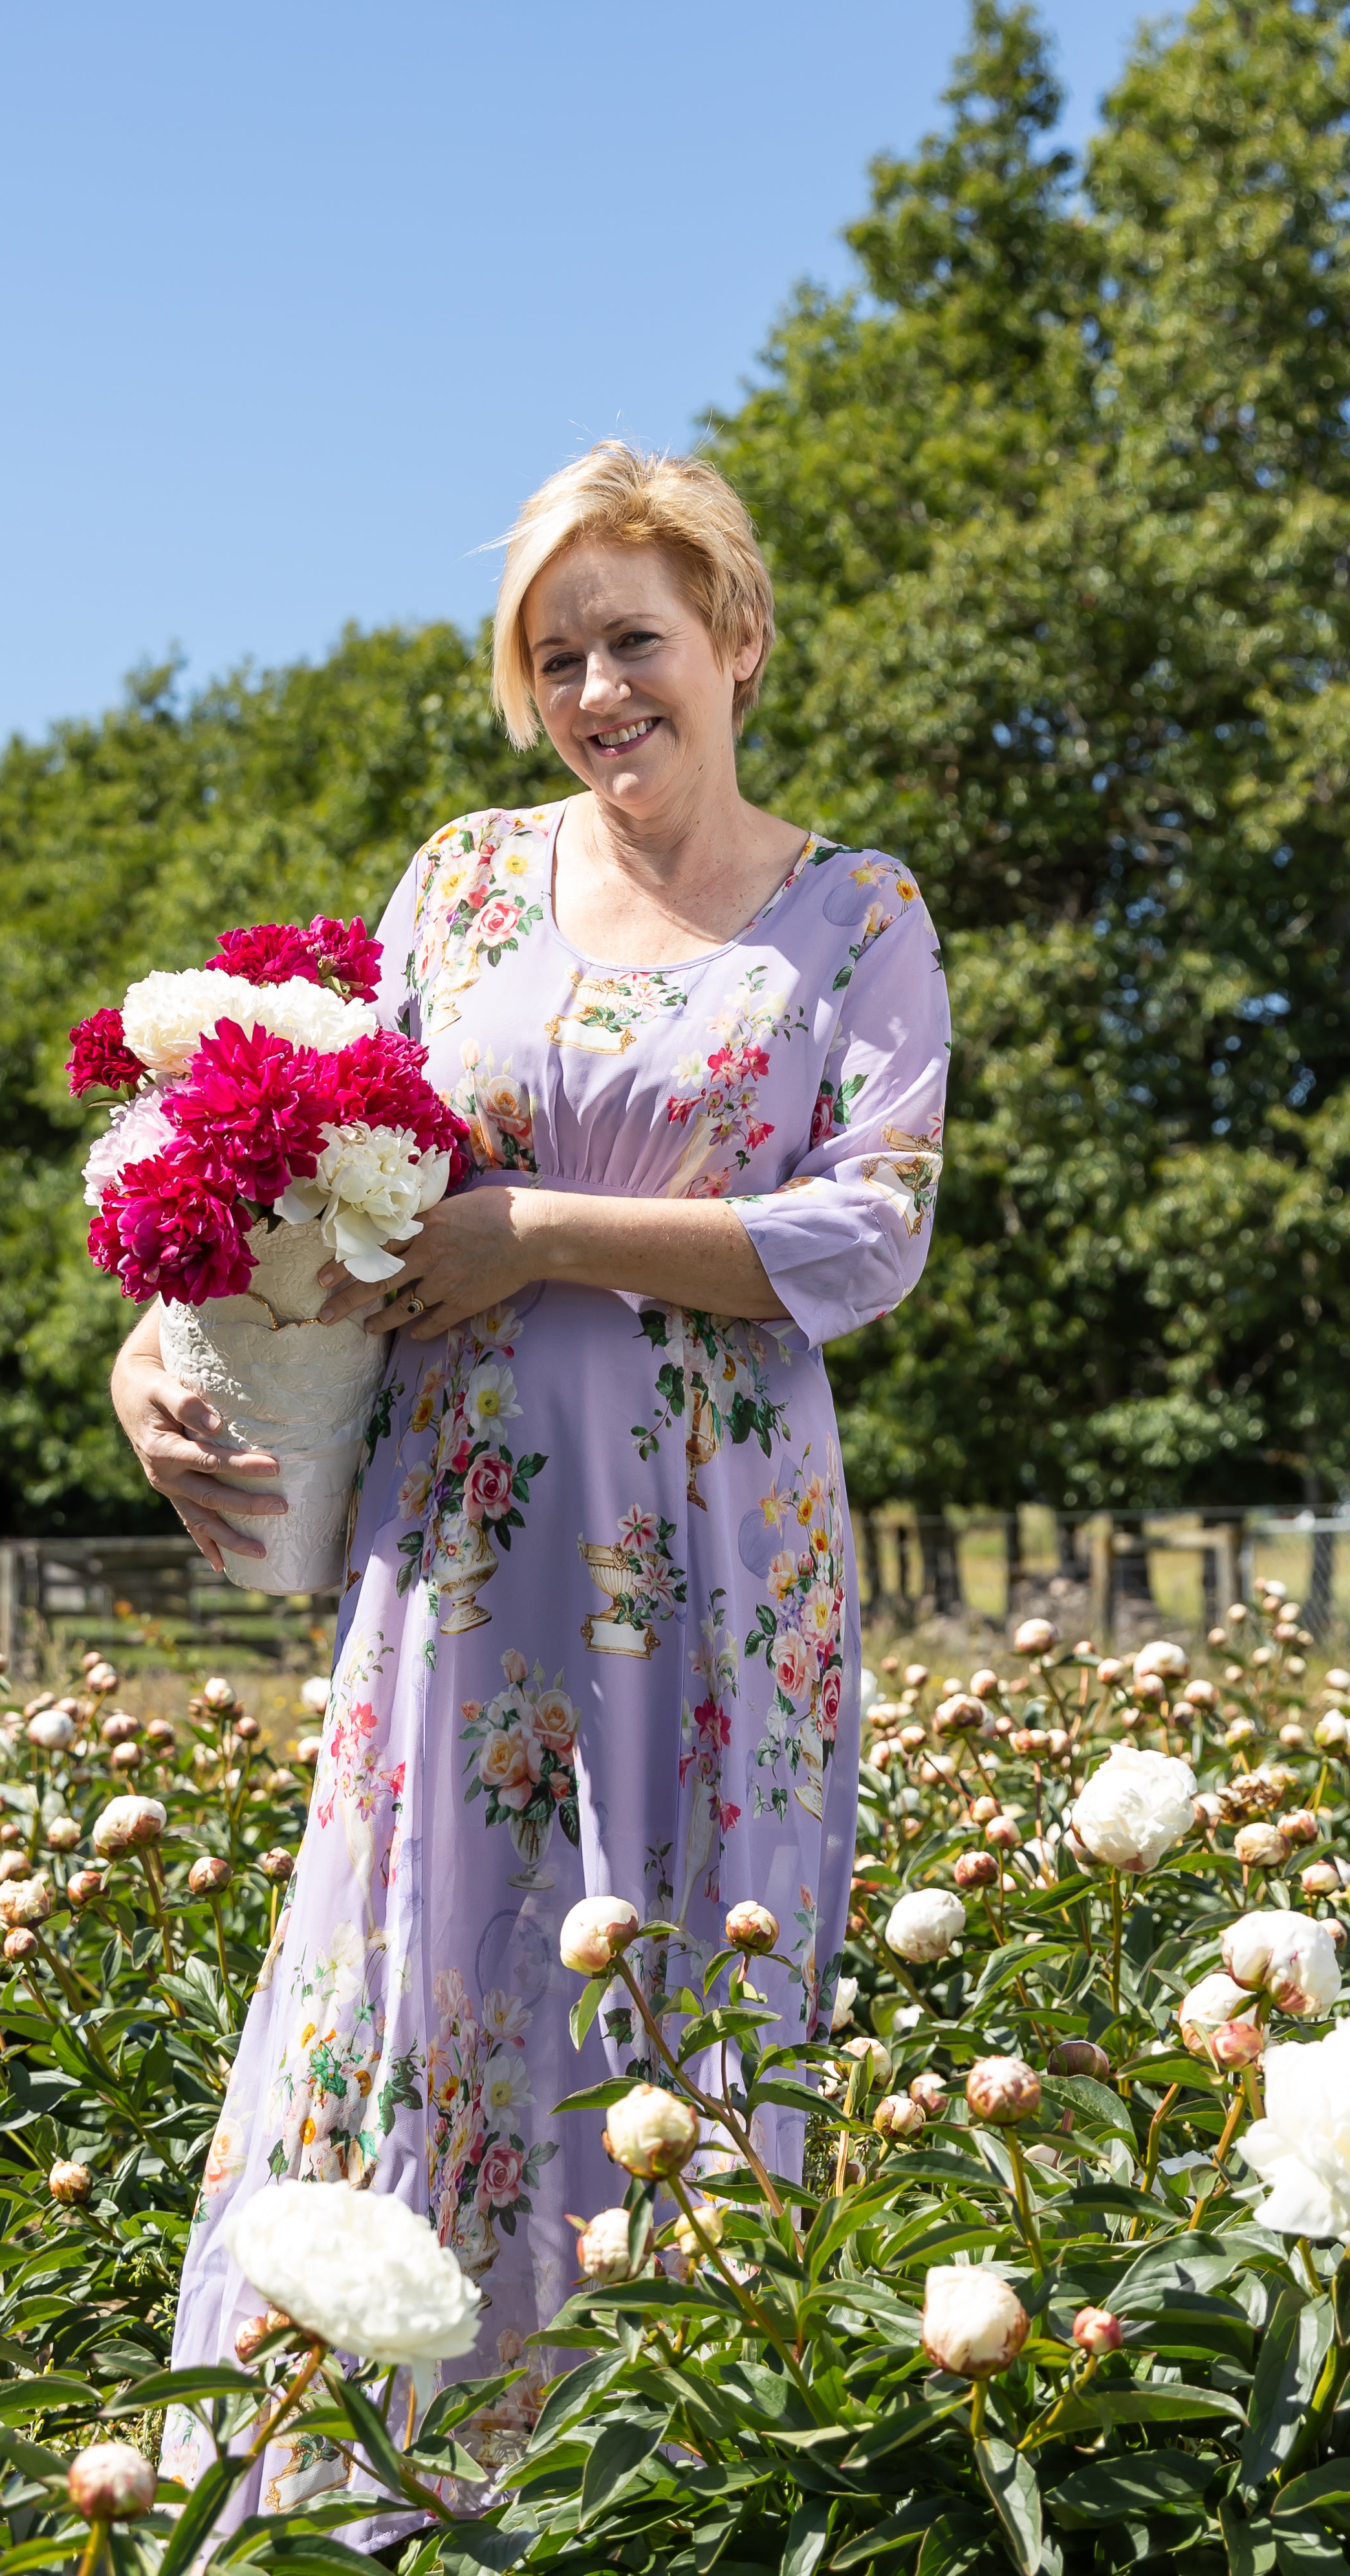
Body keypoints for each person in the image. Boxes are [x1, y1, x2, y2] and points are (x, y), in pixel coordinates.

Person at [111, 440, 950, 2511]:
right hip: (467, 1551)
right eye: (557, 657)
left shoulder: (856, 913)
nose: (598, 695)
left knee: (687, 1981)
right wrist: (160, 1328)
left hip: (724, 1558)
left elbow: (873, 1234)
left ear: (737, 641)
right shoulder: (464, 883)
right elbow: (320, 1164)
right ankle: (366, 2492)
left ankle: (663, 2500)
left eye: (636, 643)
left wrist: (550, 1231)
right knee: (432, 1967)